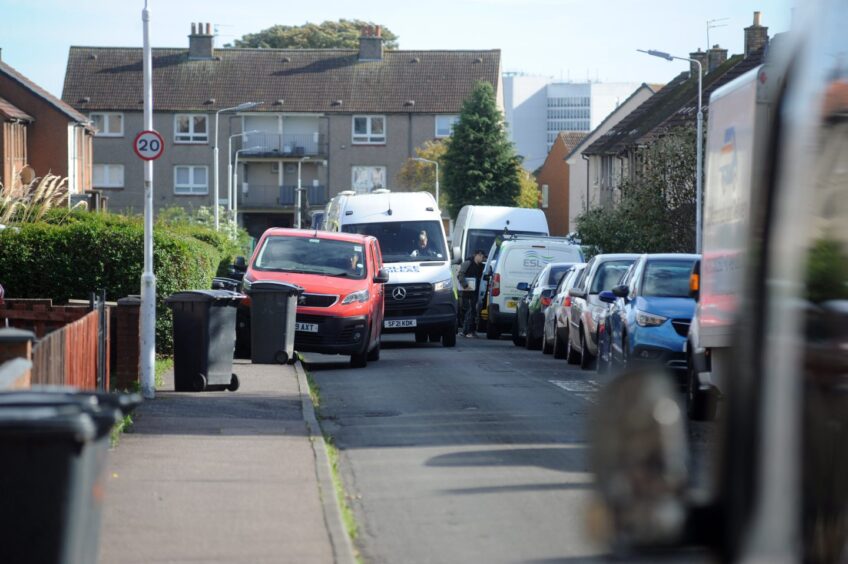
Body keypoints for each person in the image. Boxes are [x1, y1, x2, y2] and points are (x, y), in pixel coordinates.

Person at [457, 249, 485, 337]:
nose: (482, 258)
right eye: (481, 256)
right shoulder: (467, 263)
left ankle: (471, 331)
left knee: (473, 311)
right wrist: (465, 285)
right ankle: (466, 331)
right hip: (466, 292)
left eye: (483, 257)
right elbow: (460, 275)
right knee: (469, 311)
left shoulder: (481, 266)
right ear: (476, 255)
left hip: (475, 292)